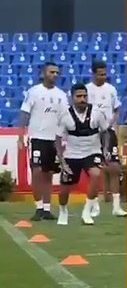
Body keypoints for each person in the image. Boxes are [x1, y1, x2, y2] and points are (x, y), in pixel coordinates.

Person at [56, 83, 110, 226]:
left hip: (92, 152)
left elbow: (105, 132)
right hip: (72, 155)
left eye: (85, 96)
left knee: (96, 174)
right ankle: (63, 210)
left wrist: (105, 150)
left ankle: (87, 211)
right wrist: (61, 160)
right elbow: (57, 139)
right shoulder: (65, 116)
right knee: (64, 189)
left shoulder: (97, 113)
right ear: (72, 98)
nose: (82, 99)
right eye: (79, 96)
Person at [20, 62, 68, 221]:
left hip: (53, 140)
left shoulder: (61, 95)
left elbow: (64, 118)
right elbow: (24, 113)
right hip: (37, 138)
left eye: (56, 72)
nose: (54, 75)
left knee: (49, 174)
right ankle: (38, 206)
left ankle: (47, 209)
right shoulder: (34, 92)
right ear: (43, 73)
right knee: (37, 171)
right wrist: (21, 136)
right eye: (51, 72)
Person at [86, 60, 127, 218]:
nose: (103, 77)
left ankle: (116, 206)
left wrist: (114, 123)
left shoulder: (111, 89)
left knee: (115, 167)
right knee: (95, 170)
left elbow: (117, 109)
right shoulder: (87, 90)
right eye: (100, 74)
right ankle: (95, 205)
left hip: (108, 132)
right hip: (92, 133)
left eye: (105, 74)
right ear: (93, 73)